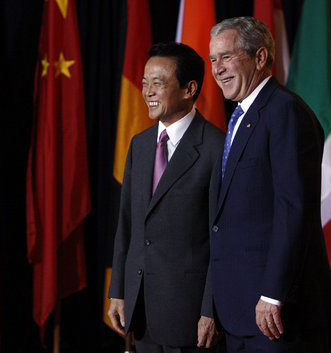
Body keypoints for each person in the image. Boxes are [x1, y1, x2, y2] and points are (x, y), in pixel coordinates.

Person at [208, 16, 331, 353]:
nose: (217, 69)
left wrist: (272, 293)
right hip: (239, 309)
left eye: (227, 57)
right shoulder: (242, 117)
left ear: (260, 58)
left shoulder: (284, 113)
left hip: (274, 314)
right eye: (213, 59)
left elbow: (294, 209)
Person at [108, 42, 225, 353]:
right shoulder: (140, 144)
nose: (147, 91)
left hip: (189, 317)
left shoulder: (216, 148)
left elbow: (221, 238)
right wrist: (118, 290)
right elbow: (128, 223)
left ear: (189, 89)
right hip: (140, 308)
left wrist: (209, 309)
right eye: (145, 82)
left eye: (157, 83)